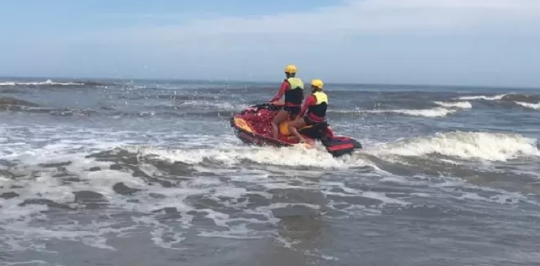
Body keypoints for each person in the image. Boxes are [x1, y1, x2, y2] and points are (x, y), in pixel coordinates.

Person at [269, 64, 304, 139]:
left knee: (274, 122)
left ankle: (275, 140)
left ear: (287, 73)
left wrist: (272, 101)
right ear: (294, 73)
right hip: (298, 108)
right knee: (293, 124)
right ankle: (295, 138)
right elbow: (302, 96)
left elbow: (279, 96)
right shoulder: (300, 82)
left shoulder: (286, 83)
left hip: (289, 108)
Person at [288, 79, 327, 143]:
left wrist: (297, 119)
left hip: (311, 119)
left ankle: (301, 139)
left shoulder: (311, 97)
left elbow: (303, 110)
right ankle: (300, 135)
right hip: (321, 119)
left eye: (312, 86)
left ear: (315, 87)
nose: (311, 88)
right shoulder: (325, 96)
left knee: (290, 125)